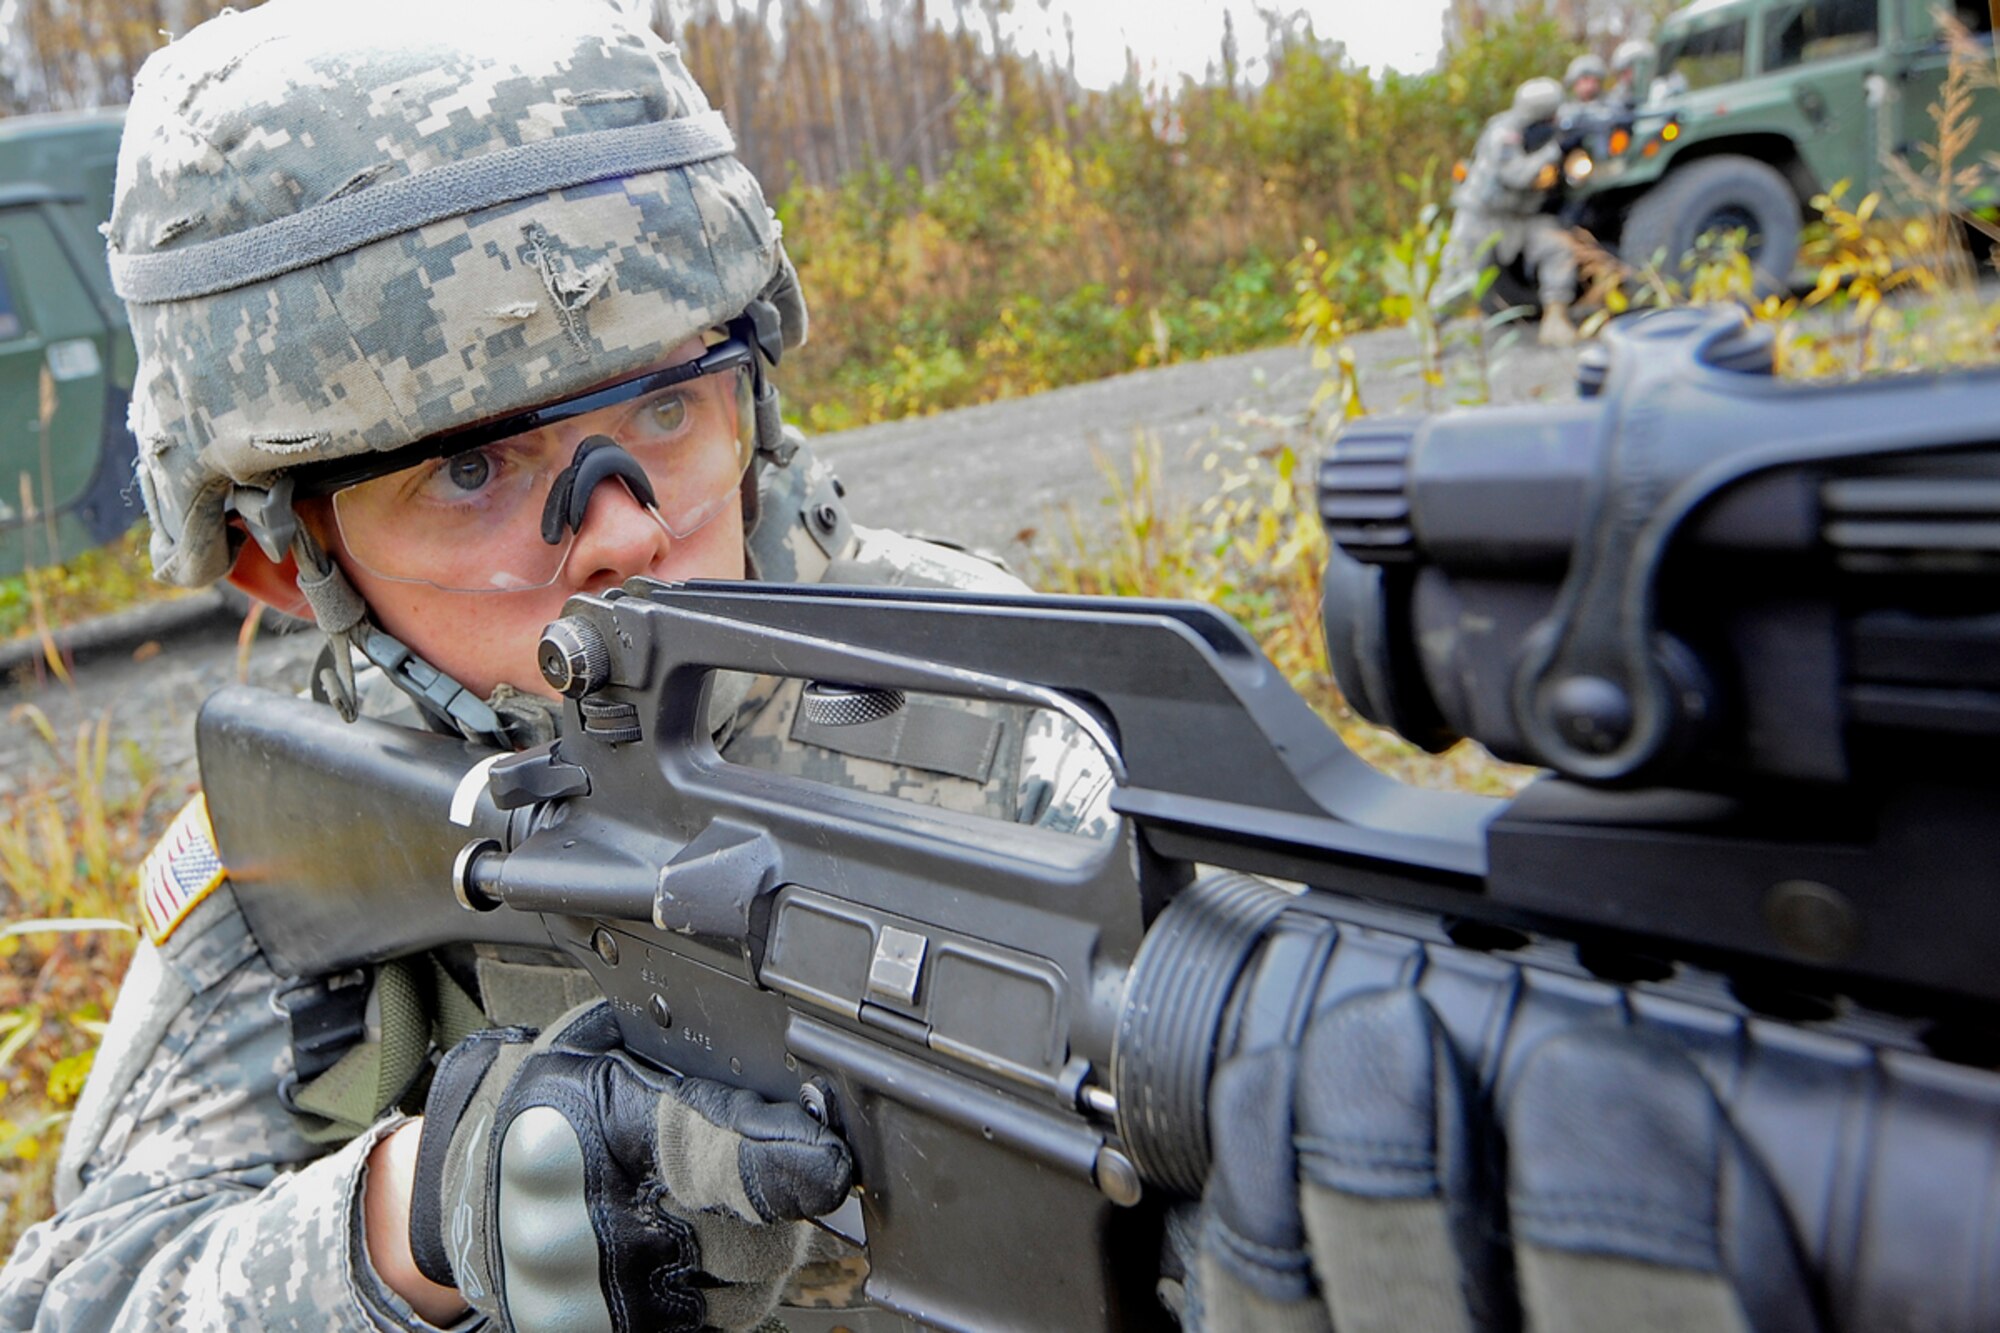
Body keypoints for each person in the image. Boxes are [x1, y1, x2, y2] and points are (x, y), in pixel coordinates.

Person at [0, 2, 1111, 1329]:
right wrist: (418, 1215)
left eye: (663, 408)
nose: (627, 524)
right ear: (286, 563)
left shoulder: (984, 696)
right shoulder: (302, 854)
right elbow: (89, 1292)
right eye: (472, 471)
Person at [1443, 77, 1581, 347]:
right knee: (1459, 278)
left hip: (1523, 217)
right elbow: (1516, 175)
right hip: (1483, 216)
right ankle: (1432, 332)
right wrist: (1554, 150)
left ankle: (1555, 320)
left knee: (1558, 247)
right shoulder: (1503, 133)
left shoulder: (1553, 128)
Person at [1610, 38, 1658, 109]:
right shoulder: (1618, 96)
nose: (1624, 78)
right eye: (1623, 72)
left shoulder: (1657, 92)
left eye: (1627, 71)